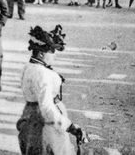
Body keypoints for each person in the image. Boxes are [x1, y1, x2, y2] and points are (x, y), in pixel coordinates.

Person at [17, 25, 89, 154]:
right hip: (44, 124)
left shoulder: (28, 67)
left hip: (29, 116)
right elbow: (46, 107)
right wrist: (69, 126)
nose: (54, 56)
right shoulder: (43, 73)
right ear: (41, 54)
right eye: (51, 52)